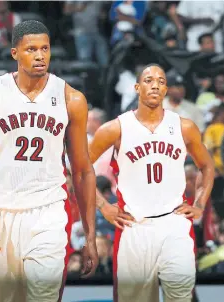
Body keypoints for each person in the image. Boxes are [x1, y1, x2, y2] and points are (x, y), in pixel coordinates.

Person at [0, 20, 98, 302]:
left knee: (43, 296)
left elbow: (83, 171)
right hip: (0, 212)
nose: (40, 56)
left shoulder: (71, 98)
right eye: (31, 49)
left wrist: (90, 234)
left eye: (45, 49)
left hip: (48, 211)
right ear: (15, 53)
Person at [88, 64, 215, 302]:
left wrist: (199, 202)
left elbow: (207, 166)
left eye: (160, 80)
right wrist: (103, 206)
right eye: (148, 80)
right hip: (134, 227)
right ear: (137, 87)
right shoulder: (115, 128)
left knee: (181, 297)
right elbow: (80, 168)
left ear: (166, 89)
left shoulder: (184, 127)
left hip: (174, 224)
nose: (155, 84)